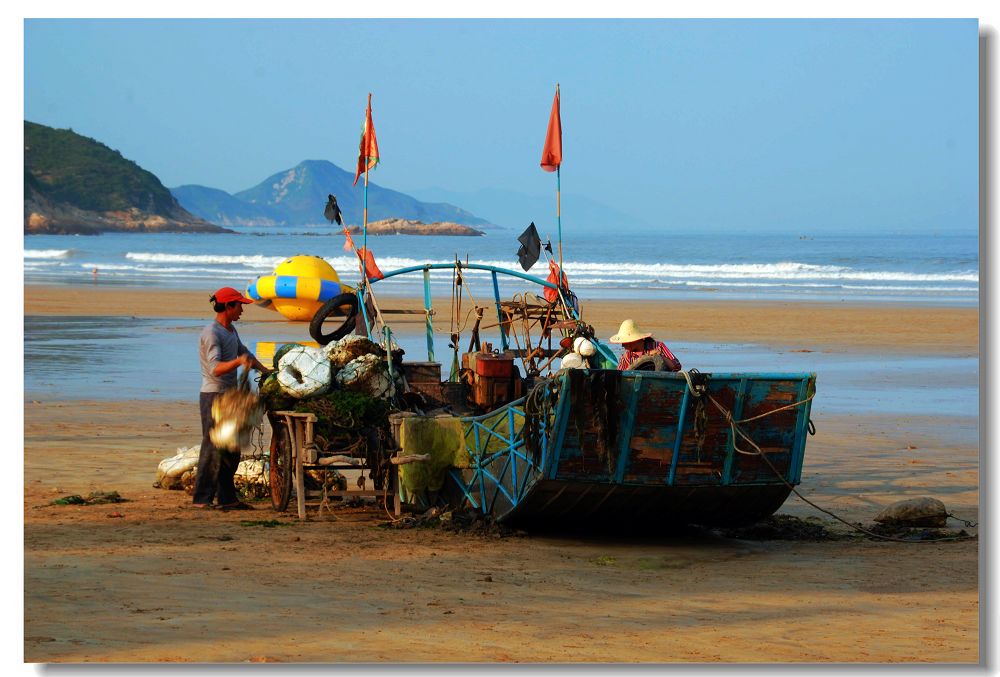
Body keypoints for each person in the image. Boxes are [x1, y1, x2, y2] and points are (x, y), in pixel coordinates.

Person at [193, 287, 269, 510]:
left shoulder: (231, 330)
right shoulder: (212, 333)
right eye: (239, 306)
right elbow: (215, 368)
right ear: (228, 306)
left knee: (232, 448)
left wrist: (265, 372)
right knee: (214, 446)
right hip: (214, 396)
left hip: (230, 395)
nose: (242, 310)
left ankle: (227, 498)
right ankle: (201, 499)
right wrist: (238, 363)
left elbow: (244, 352)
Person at [608, 319, 682, 372]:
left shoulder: (658, 346)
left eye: (625, 342)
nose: (623, 345)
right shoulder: (626, 358)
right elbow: (619, 376)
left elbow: (676, 366)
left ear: (635, 340)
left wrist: (660, 356)